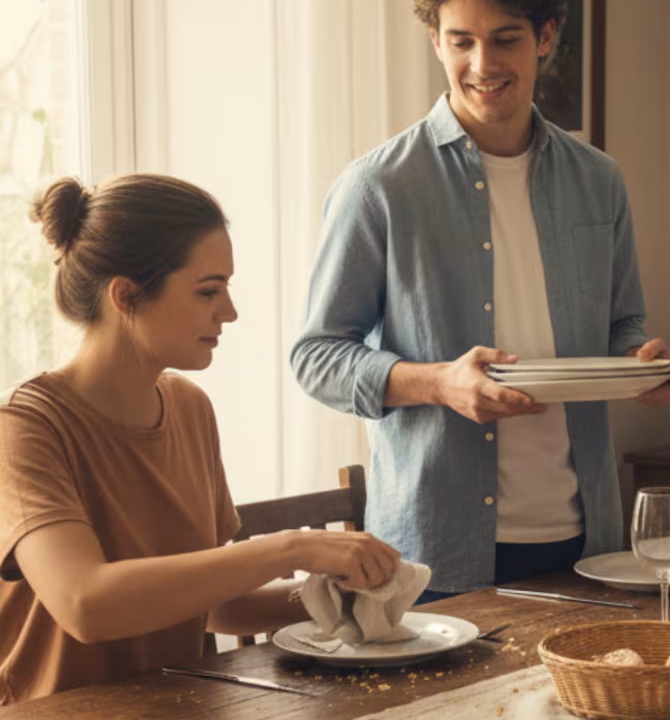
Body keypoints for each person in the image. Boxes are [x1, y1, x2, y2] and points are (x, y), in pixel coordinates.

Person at [290, 0, 670, 601]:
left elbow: (623, 322)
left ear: (546, 37)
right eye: (461, 41)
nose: (482, 64)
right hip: (436, 549)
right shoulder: (377, 187)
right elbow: (317, 358)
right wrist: (441, 383)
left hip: (586, 539)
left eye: (505, 39)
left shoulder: (599, 180)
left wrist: (642, 362)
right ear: (436, 42)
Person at [0, 174, 399, 703]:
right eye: (208, 290)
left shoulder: (189, 409)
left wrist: (337, 594)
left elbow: (216, 606)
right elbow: (84, 604)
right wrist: (294, 546)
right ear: (125, 296)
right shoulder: (26, 427)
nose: (229, 311)